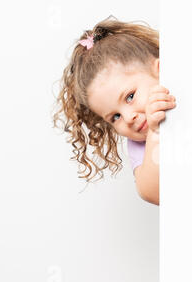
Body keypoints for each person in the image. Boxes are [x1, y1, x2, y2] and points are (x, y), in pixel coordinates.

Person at [52, 15, 176, 206]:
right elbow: (152, 192)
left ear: (161, 70)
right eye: (115, 117)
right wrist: (155, 132)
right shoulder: (140, 144)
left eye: (130, 96)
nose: (128, 117)